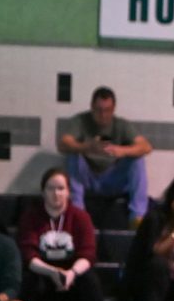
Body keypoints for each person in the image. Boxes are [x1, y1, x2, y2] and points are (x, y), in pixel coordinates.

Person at [16, 168, 105, 301]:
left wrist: (71, 273)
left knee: (90, 280)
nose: (56, 193)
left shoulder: (81, 217)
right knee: (27, 281)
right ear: (43, 192)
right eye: (50, 188)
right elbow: (28, 254)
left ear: (68, 192)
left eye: (61, 188)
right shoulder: (31, 217)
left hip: (72, 276)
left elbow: (88, 253)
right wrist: (52, 272)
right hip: (43, 274)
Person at [57, 86, 152, 229]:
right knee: (73, 156)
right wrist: (86, 147)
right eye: (98, 110)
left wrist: (123, 150)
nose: (103, 115)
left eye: (107, 110)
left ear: (113, 109)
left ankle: (137, 217)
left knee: (137, 159)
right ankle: (78, 213)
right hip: (88, 179)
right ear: (91, 107)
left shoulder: (121, 125)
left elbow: (146, 147)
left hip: (113, 179)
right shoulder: (81, 121)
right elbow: (63, 143)